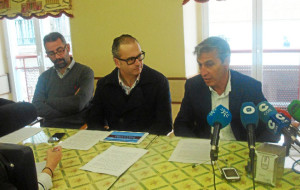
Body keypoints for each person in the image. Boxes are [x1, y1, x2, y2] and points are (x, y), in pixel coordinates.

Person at [174, 36, 279, 142]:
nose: (203, 72)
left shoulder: (250, 87)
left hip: (241, 150)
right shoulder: (193, 86)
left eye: (209, 65)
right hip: (204, 148)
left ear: (226, 62)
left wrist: (253, 150)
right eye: (200, 65)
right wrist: (196, 145)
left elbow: (269, 128)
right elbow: (180, 124)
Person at [87, 34, 172, 135]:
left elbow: (165, 125)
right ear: (117, 62)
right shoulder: (104, 85)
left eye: (140, 56)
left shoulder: (158, 82)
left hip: (147, 142)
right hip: (115, 141)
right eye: (131, 59)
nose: (138, 63)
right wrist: (107, 135)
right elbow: (94, 121)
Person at [32, 32, 94, 129]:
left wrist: (48, 101)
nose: (57, 56)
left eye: (60, 50)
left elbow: (79, 104)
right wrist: (70, 106)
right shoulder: (44, 77)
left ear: (68, 48)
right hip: (50, 128)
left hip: (79, 127)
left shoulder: (85, 72)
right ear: (47, 55)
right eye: (51, 53)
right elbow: (37, 106)